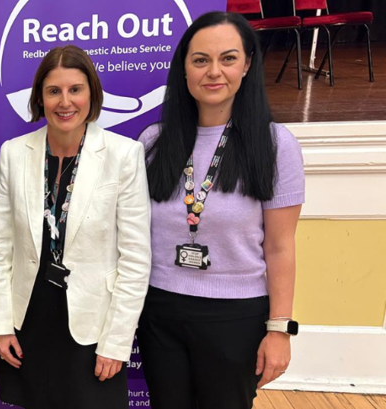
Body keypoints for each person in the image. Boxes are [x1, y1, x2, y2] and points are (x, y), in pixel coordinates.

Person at [137, 11, 304, 409]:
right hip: (159, 310)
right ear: (184, 69)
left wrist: (279, 330)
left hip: (236, 317)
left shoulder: (276, 145)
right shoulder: (153, 142)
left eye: (227, 58)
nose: (214, 72)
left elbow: (281, 248)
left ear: (247, 64)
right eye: (200, 60)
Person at [0, 45, 152, 409]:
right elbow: (1, 249)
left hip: (92, 324)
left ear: (91, 94)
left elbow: (136, 259)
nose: (65, 102)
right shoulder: (13, 154)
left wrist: (116, 342)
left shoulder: (124, 155)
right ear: (40, 98)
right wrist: (1, 324)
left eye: (75, 89)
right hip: (30, 317)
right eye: (54, 91)